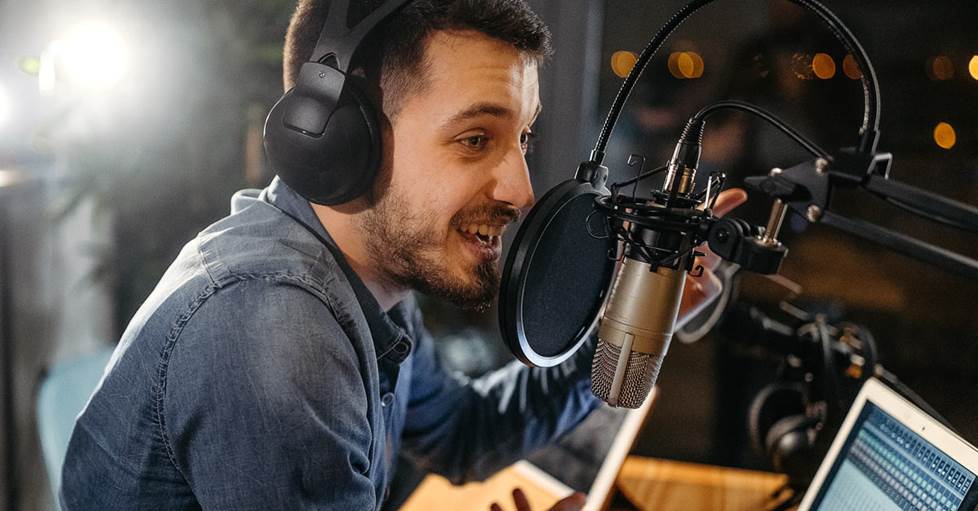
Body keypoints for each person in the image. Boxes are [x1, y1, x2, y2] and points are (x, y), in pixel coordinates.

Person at [60, 1, 746, 509]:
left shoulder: (365, 283)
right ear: (336, 140)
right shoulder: (274, 330)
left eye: (524, 140)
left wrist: (630, 324)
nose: (521, 189)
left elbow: (463, 432)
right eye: (476, 138)